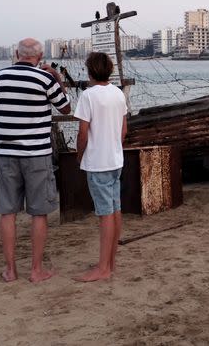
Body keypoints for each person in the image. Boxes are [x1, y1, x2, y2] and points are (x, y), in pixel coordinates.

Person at [0, 38, 71, 283]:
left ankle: (10, 270)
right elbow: (65, 108)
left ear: (16, 54)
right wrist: (56, 77)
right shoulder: (45, 79)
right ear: (40, 56)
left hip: (6, 154)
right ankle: (36, 270)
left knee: (7, 213)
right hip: (36, 155)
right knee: (39, 213)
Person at [73, 52, 128, 282]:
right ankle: (110, 262)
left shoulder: (88, 96)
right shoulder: (118, 93)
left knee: (104, 215)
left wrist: (79, 155)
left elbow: (83, 133)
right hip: (116, 160)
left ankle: (103, 267)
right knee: (115, 211)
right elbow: (124, 131)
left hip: (98, 163)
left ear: (90, 71)